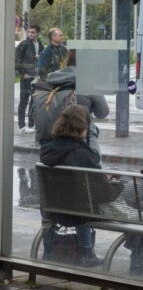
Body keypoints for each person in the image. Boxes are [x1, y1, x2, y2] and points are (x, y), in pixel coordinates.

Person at [39, 105, 108, 267]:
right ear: (83, 127)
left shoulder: (47, 151)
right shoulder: (83, 154)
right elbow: (102, 192)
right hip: (78, 213)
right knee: (134, 210)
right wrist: (117, 186)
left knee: (78, 200)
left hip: (52, 210)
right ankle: (87, 253)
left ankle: (48, 252)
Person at [40, 50, 108, 157]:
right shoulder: (88, 82)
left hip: (52, 137)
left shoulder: (52, 79)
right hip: (80, 140)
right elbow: (102, 112)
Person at [15, 25, 43, 133]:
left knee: (34, 101)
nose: (31, 34)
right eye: (29, 32)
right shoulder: (24, 44)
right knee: (23, 101)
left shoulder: (40, 45)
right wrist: (23, 73)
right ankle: (22, 126)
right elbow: (17, 60)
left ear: (38, 33)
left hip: (36, 77)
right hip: (26, 77)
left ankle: (31, 125)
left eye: (33, 32)